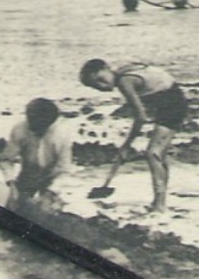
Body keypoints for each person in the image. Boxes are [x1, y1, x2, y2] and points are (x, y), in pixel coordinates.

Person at [79, 57, 188, 214]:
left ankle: (160, 206)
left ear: (108, 68)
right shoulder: (124, 72)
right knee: (159, 155)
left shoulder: (125, 81)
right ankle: (159, 202)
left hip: (172, 104)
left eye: (101, 79)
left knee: (153, 154)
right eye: (96, 86)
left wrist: (126, 145)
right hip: (172, 100)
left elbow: (141, 117)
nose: (102, 86)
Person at [0, 97, 73, 214]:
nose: (34, 131)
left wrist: (50, 193)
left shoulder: (61, 136)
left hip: (51, 177)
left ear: (50, 123)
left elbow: (64, 170)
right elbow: (6, 160)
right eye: (31, 124)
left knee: (46, 213)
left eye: (39, 128)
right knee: (12, 208)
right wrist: (11, 184)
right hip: (27, 174)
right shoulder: (19, 129)